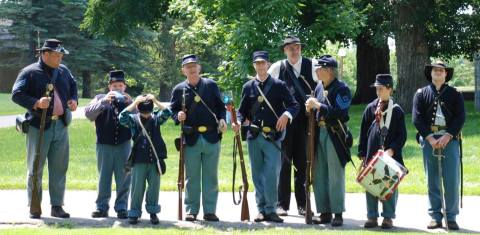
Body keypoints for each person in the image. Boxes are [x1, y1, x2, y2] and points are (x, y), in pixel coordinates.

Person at [11, 39, 77, 219]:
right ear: (45, 54)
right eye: (57, 55)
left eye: (61, 55)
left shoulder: (63, 71)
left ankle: (57, 206)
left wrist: (73, 99)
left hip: (61, 125)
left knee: (59, 168)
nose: (60, 58)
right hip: (38, 126)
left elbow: (73, 86)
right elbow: (16, 94)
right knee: (35, 168)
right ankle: (34, 206)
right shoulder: (29, 72)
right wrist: (36, 103)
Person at [234, 51, 299, 223]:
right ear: (254, 65)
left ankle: (271, 208)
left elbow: (294, 105)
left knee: (271, 173)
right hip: (254, 136)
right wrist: (239, 122)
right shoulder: (248, 87)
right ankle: (261, 209)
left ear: (268, 65)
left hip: (272, 136)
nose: (260, 66)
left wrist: (286, 115)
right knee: (257, 174)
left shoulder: (278, 85)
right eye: (257, 63)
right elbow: (241, 111)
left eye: (263, 63)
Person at [170, 54, 227, 222]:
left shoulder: (211, 85)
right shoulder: (178, 89)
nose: (192, 69)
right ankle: (191, 210)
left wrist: (222, 119)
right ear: (183, 70)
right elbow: (172, 111)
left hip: (211, 136)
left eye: (194, 66)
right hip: (191, 137)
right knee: (191, 177)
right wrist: (177, 115)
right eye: (188, 67)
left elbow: (220, 107)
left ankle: (210, 211)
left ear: (199, 68)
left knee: (211, 176)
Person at [268, 36, 319, 216]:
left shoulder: (312, 66)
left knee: (303, 163)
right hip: (284, 123)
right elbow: (269, 92)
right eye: (290, 48)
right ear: (284, 50)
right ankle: (282, 204)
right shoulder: (276, 68)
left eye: (297, 47)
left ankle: (303, 205)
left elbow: (320, 91)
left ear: (300, 48)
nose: (294, 51)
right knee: (283, 164)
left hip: (306, 123)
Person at [412, 60, 465, 230]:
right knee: (432, 181)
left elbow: (460, 117)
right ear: (431, 73)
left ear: (446, 74)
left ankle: (451, 217)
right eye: (435, 70)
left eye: (441, 71)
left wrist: (448, 135)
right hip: (430, 142)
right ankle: (435, 216)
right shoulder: (421, 94)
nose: (438, 73)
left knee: (451, 180)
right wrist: (429, 138)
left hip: (449, 141)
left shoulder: (455, 94)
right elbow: (417, 118)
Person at [305, 55, 352, 226]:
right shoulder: (318, 86)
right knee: (319, 175)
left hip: (334, 133)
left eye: (320, 69)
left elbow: (341, 113)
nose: (316, 71)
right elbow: (317, 111)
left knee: (335, 175)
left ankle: (337, 212)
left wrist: (317, 105)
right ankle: (324, 212)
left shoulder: (342, 89)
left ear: (330, 71)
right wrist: (310, 108)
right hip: (319, 133)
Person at [358, 74, 407, 229]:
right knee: (371, 185)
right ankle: (372, 217)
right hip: (372, 154)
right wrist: (362, 153)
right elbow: (363, 131)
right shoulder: (371, 108)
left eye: (381, 89)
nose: (378, 92)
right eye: (377, 89)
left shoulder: (397, 110)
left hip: (390, 156)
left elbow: (402, 135)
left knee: (388, 186)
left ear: (390, 89)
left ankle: (388, 217)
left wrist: (392, 150)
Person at [85, 70, 133, 219]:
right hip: (104, 145)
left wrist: (131, 103)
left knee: (124, 177)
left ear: (124, 87)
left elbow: (140, 118)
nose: (117, 88)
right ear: (109, 87)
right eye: (114, 86)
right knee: (104, 177)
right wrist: (104, 101)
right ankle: (101, 207)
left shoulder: (130, 101)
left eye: (120, 85)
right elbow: (88, 114)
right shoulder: (100, 98)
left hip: (124, 144)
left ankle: (122, 207)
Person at [119, 94, 171, 225]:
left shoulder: (156, 118)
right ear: (138, 109)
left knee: (154, 187)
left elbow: (167, 112)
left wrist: (155, 100)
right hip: (138, 159)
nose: (146, 115)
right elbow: (122, 117)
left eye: (148, 112)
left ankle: (153, 212)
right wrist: (134, 103)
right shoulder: (133, 119)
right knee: (137, 188)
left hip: (154, 159)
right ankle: (134, 213)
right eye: (143, 112)